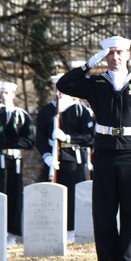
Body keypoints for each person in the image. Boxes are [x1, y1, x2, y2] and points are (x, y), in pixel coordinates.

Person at [56, 37, 131, 261]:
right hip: (105, 152)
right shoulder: (96, 82)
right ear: (105, 57)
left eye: (120, 53)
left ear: (128, 54)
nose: (115, 58)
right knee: (104, 212)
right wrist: (87, 65)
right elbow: (64, 84)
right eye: (110, 53)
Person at [35, 76, 95, 240]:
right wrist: (46, 155)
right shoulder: (47, 111)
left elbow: (91, 137)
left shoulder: (80, 110)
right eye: (56, 87)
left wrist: (67, 137)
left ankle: (73, 230)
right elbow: (40, 138)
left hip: (74, 160)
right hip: (54, 160)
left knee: (74, 196)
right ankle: (57, 228)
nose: (59, 91)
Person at [0, 82, 35, 245]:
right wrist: (10, 141)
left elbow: (29, 141)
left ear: (13, 95)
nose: (3, 96)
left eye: (7, 93)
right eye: (1, 92)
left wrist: (9, 142)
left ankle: (13, 232)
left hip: (15, 160)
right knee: (0, 191)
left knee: (15, 194)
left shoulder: (22, 115)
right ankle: (0, 229)